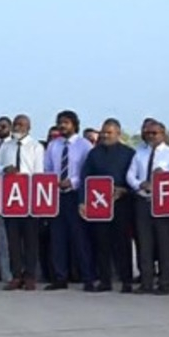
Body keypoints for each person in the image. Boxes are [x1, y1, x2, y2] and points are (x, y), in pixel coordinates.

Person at [81, 118, 136, 292]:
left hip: (121, 204)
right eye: (103, 132)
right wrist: (82, 201)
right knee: (101, 243)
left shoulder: (129, 153)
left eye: (109, 132)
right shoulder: (94, 154)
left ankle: (126, 280)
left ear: (118, 134)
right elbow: (85, 178)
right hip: (99, 205)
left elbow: (135, 177)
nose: (105, 135)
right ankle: (105, 280)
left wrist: (125, 190)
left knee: (122, 244)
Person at [127, 119, 169, 295]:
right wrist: (139, 184)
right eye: (148, 133)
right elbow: (130, 175)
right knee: (144, 244)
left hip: (164, 203)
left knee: (164, 244)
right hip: (143, 200)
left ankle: (165, 282)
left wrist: (164, 175)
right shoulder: (139, 153)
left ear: (163, 134)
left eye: (154, 133)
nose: (151, 136)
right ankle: (146, 282)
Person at [0, 114, 47, 291]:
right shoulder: (6, 146)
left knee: (31, 240)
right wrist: (5, 169)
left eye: (21, 124)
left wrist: (24, 178)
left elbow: (39, 173)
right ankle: (16, 275)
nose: (18, 127)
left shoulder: (36, 147)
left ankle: (30, 276)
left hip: (29, 199)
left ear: (28, 127)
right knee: (13, 241)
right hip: (10, 200)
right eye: (16, 124)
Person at [45, 110, 94, 290]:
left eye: (66, 122)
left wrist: (72, 182)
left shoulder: (85, 145)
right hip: (56, 195)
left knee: (80, 239)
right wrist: (53, 181)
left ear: (74, 124)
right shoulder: (53, 145)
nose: (62, 125)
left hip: (76, 195)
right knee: (57, 239)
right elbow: (47, 169)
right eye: (60, 122)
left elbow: (87, 171)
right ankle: (60, 278)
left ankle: (87, 278)